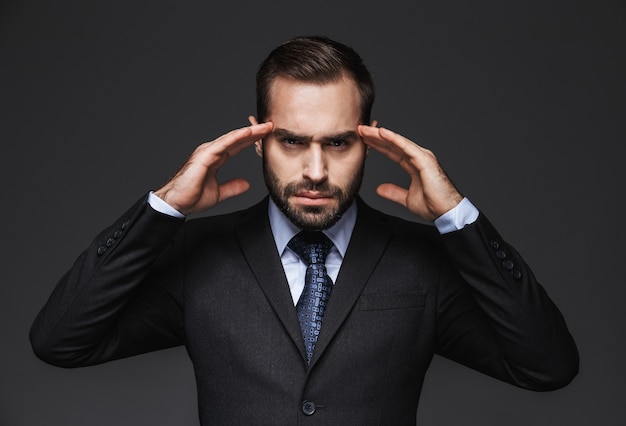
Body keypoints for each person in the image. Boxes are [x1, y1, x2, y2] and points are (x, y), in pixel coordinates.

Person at [30, 36, 578, 425]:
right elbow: (60, 341)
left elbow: (547, 366)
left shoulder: (421, 260)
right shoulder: (199, 257)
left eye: (338, 142)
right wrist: (164, 207)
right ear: (257, 139)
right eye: (292, 141)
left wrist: (456, 215)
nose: (315, 171)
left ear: (372, 141)